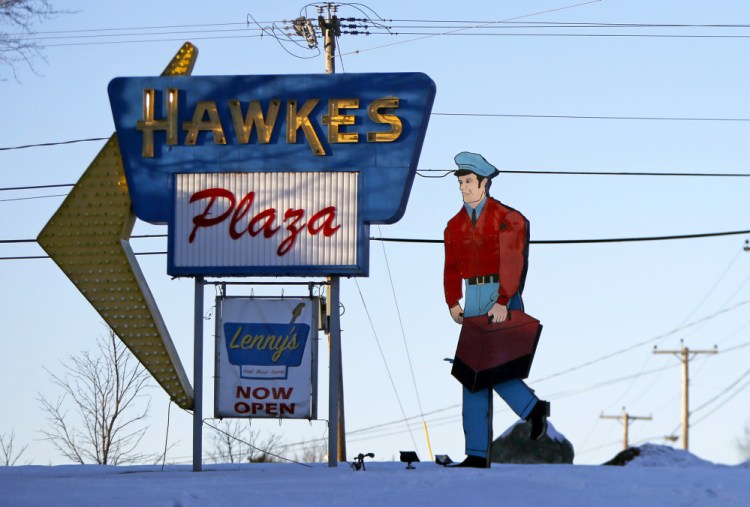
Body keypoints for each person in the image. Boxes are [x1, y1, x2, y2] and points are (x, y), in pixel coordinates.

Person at [443, 151, 550, 469]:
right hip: (472, 295)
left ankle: (527, 413)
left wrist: (504, 299)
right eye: (460, 182)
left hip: (500, 293)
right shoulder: (454, 225)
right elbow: (450, 265)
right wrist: (452, 301)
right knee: (471, 374)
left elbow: (514, 259)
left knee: (492, 369)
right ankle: (479, 450)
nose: (463, 187)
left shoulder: (508, 218)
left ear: (484, 182)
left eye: (468, 181)